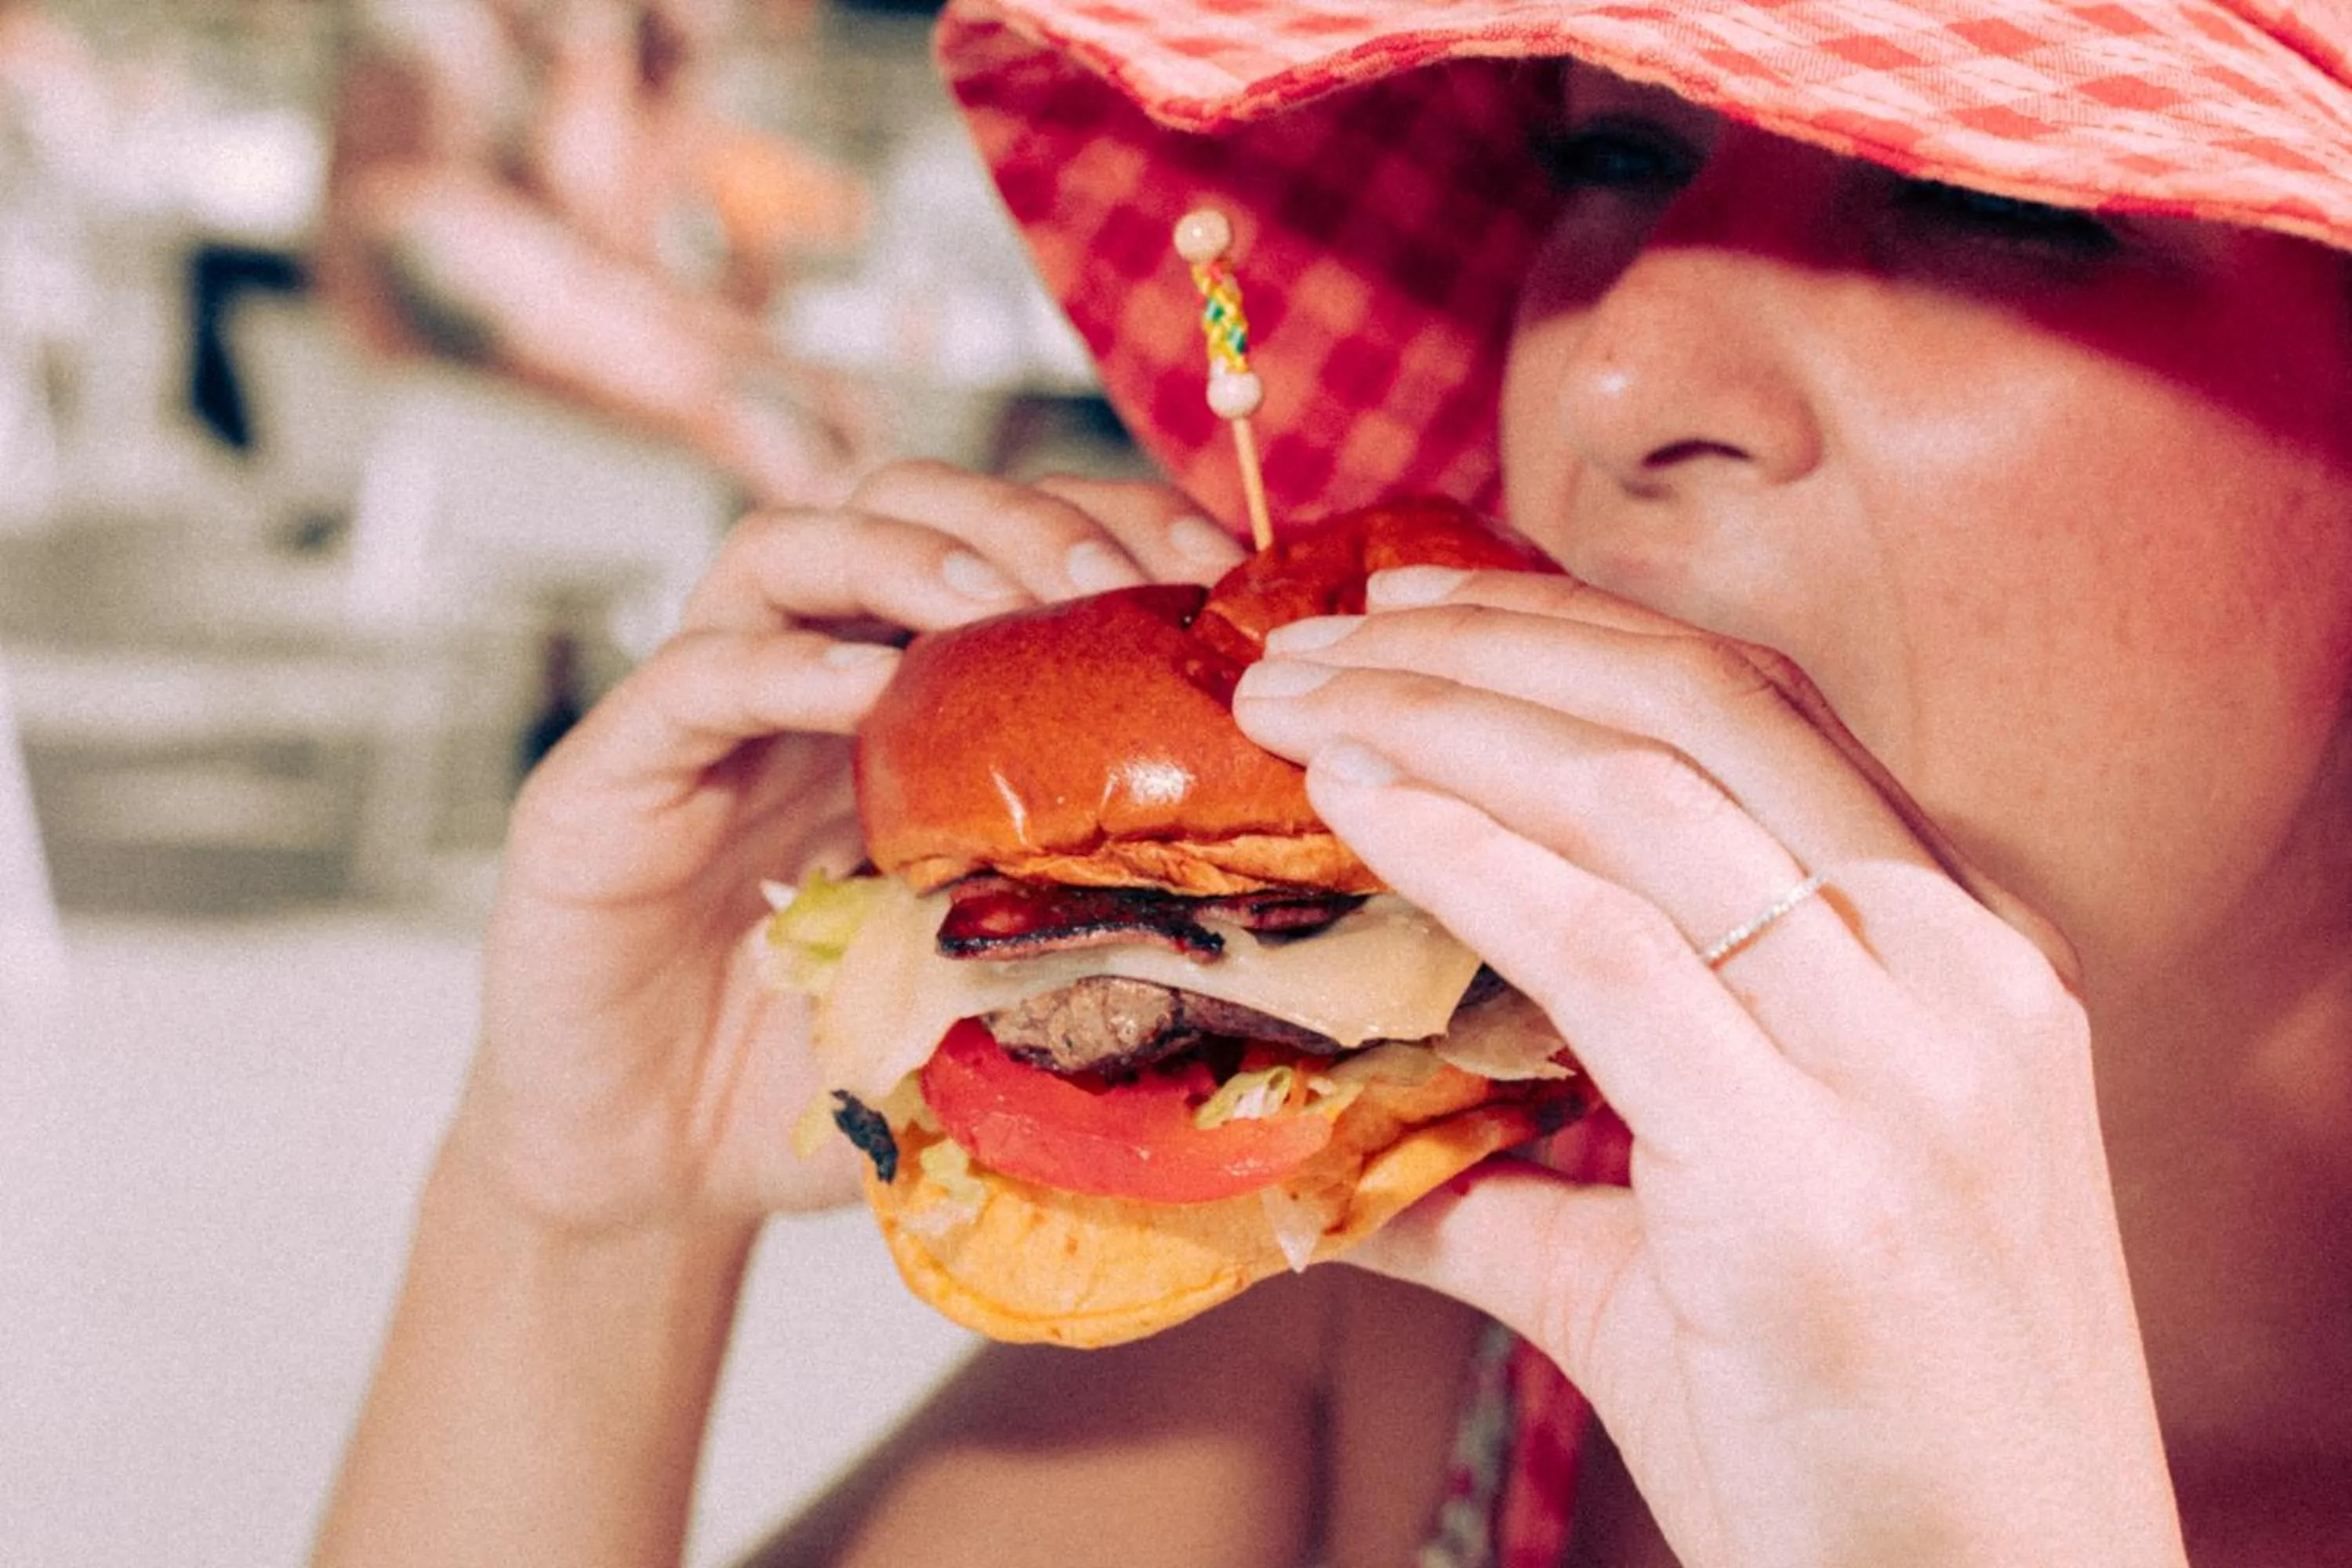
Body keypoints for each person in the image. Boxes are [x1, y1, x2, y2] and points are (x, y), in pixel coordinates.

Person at [310, 1, 2352, 1563]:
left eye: (1992, 198)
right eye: (1616, 157)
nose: (1619, 378)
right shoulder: (1409, 1312)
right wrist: (574, 1217)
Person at [316, 0, 873, 507]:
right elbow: (588, 245)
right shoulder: (430, 192)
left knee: (795, 421)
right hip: (437, 324)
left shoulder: (542, 91)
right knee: (766, 434)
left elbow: (609, 247)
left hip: (502, 313)